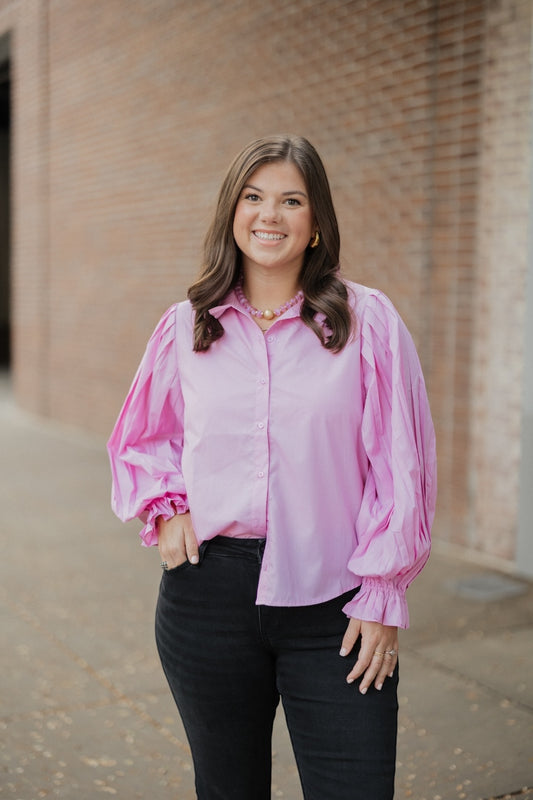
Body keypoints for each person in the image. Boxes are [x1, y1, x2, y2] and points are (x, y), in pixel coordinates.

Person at [107, 134, 437, 800]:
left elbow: (400, 463)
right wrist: (166, 507)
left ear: (316, 224)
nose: (270, 215)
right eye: (254, 197)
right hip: (209, 599)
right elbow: (142, 437)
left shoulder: (366, 323)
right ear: (232, 212)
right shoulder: (186, 325)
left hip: (337, 604)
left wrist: (383, 592)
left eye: (292, 200)